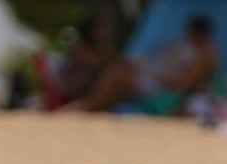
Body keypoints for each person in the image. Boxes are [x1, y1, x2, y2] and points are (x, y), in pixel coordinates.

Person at [60, 14, 218, 115]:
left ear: (196, 32)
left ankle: (84, 109)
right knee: (117, 77)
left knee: (115, 77)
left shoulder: (205, 54)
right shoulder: (201, 52)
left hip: (167, 96)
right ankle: (85, 108)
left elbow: (182, 85)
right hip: (163, 90)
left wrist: (152, 73)